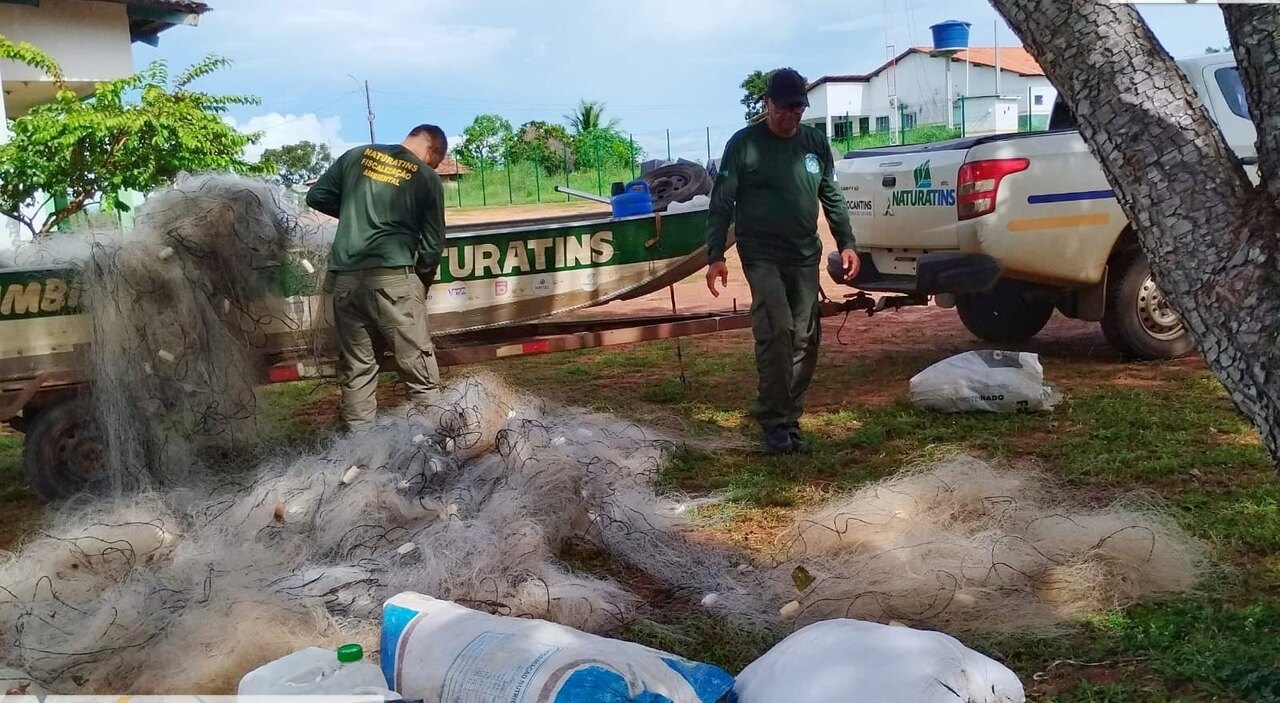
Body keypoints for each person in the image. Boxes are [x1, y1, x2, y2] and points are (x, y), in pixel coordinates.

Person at [705, 68, 859, 454]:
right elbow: (722, 200)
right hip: (761, 253)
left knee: (805, 337)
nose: (792, 115)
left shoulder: (814, 143)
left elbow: (832, 196)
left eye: (799, 108)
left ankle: (790, 419)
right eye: (785, 107)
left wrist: (847, 242)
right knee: (777, 329)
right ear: (767, 104)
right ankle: (773, 421)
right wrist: (715, 256)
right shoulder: (744, 144)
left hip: (804, 253)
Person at [305, 124, 449, 433]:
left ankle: (360, 457)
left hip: (345, 282)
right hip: (393, 279)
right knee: (420, 372)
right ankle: (436, 450)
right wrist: (420, 283)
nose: (433, 167)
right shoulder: (425, 177)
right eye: (435, 161)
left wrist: (352, 210)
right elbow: (433, 243)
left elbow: (317, 196)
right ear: (432, 150)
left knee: (357, 371)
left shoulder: (355, 156)